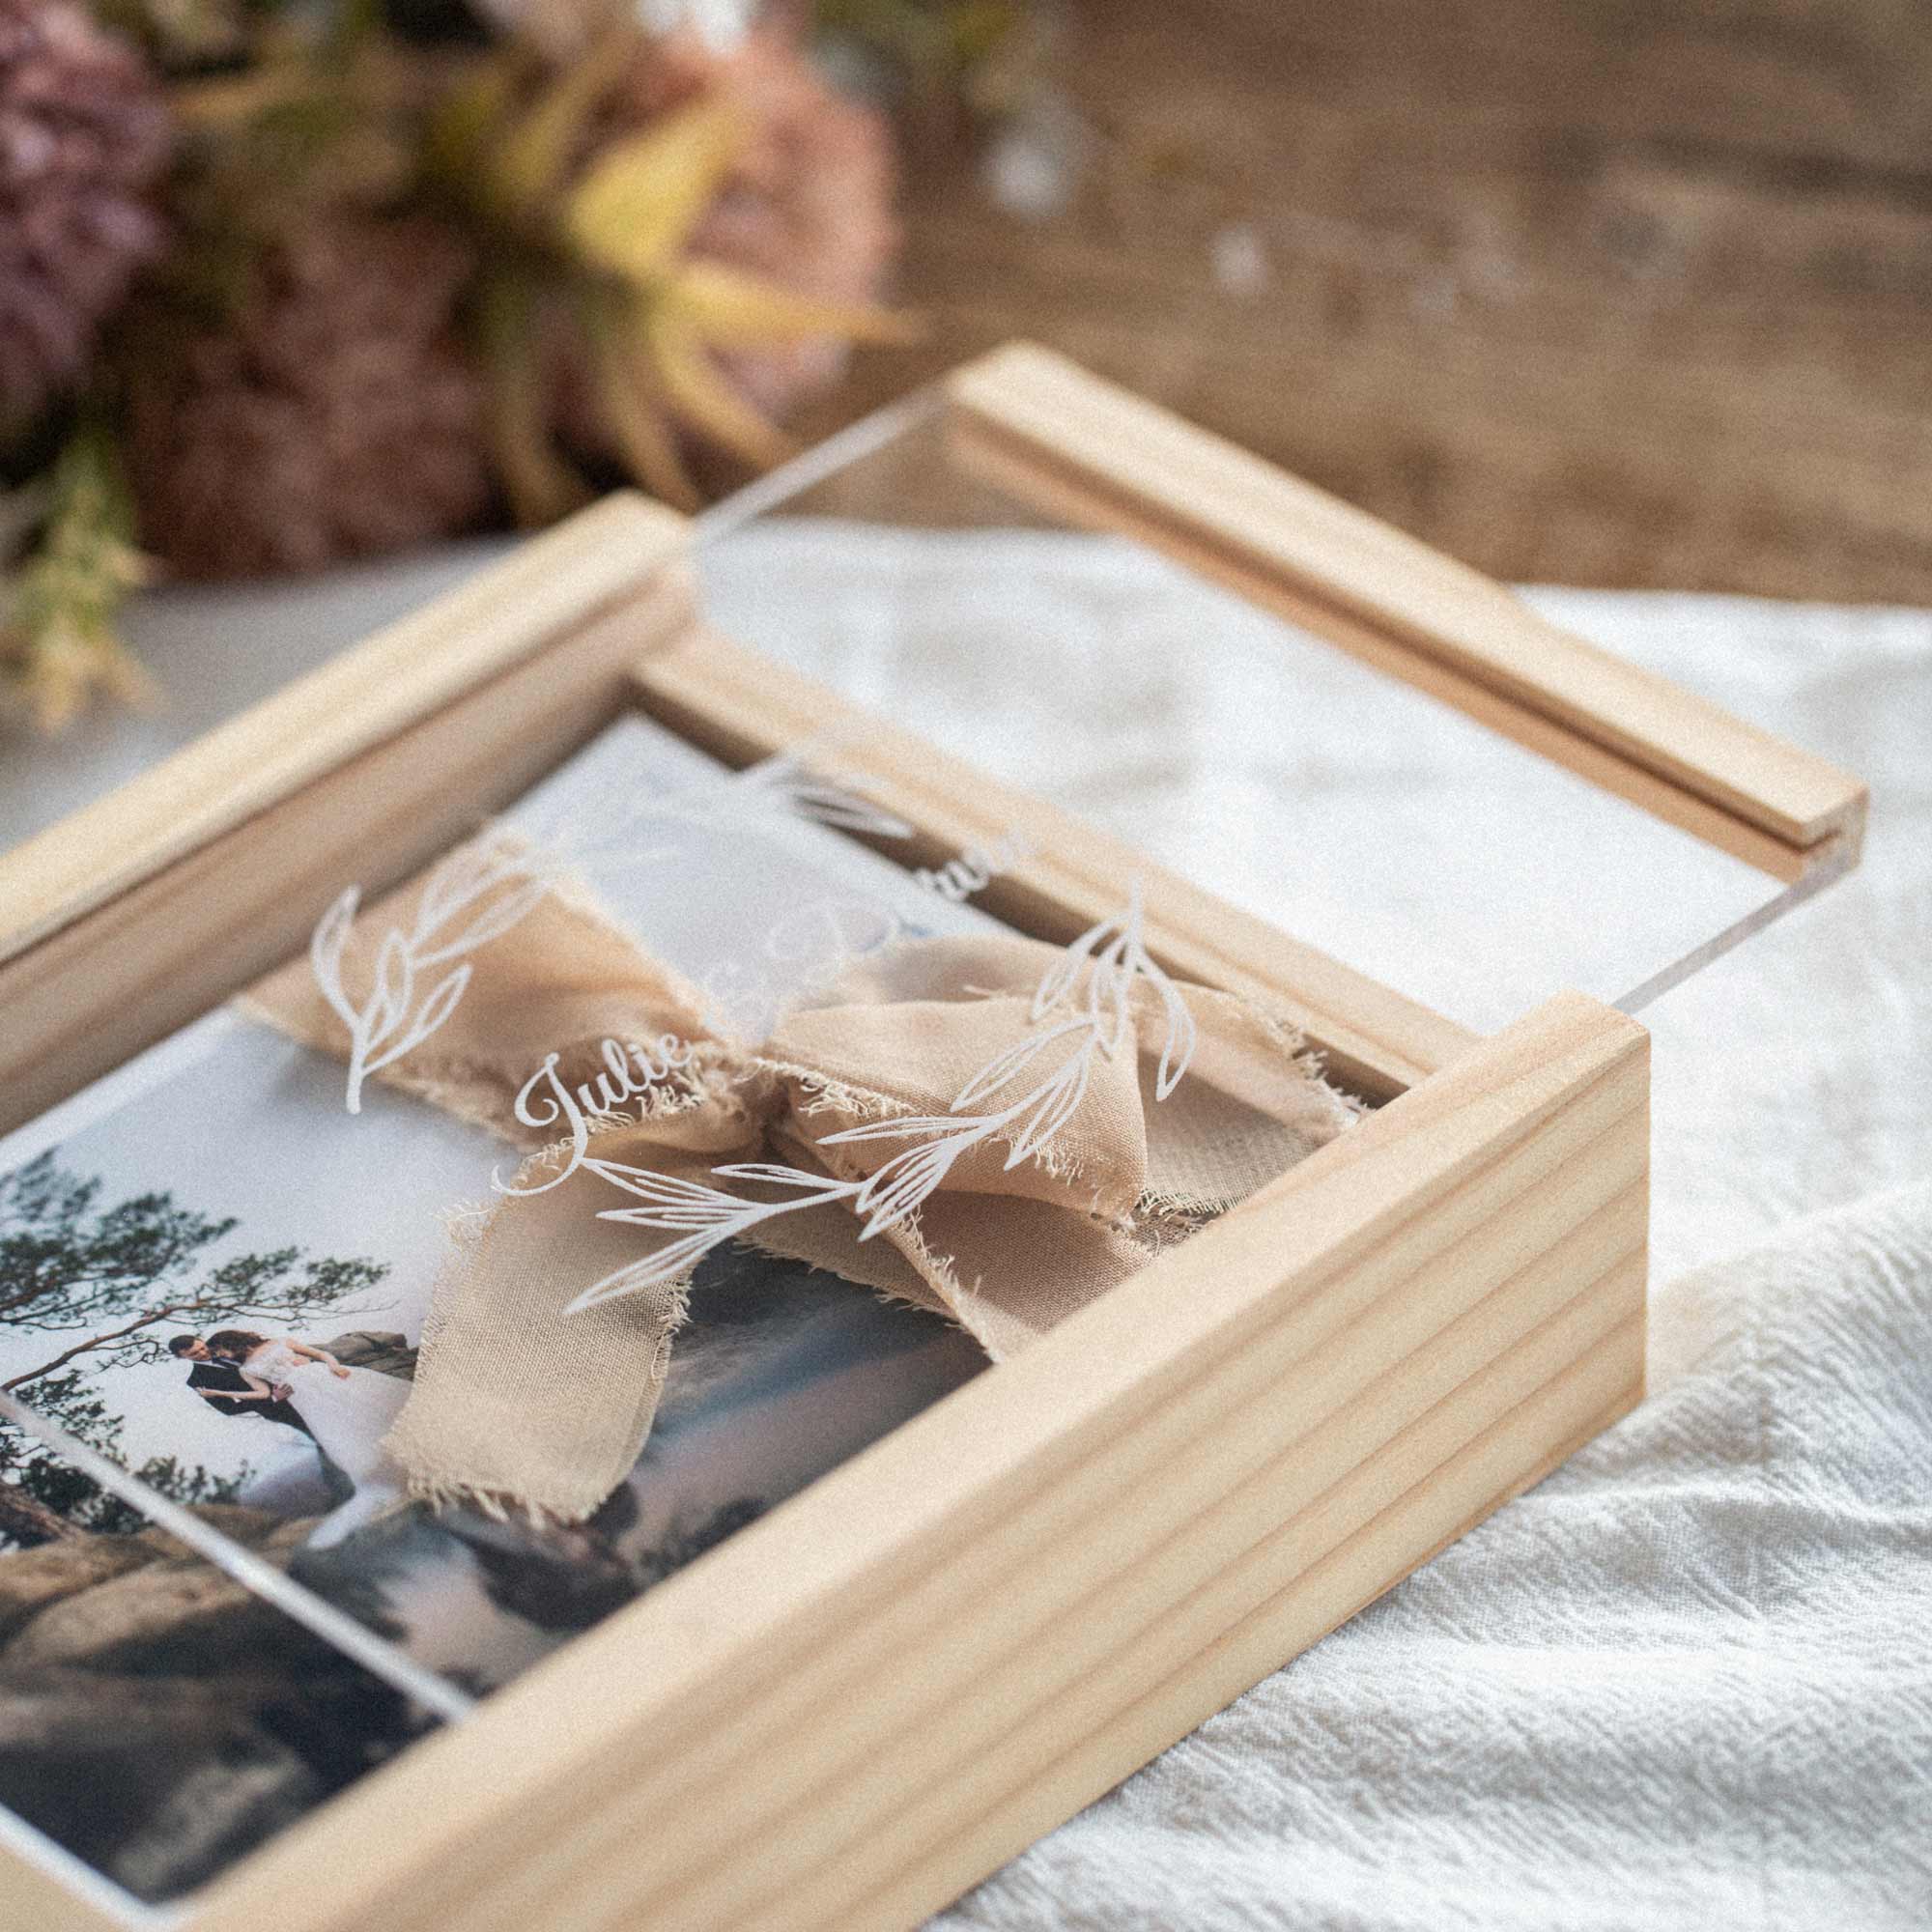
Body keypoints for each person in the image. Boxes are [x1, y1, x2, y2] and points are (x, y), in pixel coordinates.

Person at [206, 1328, 413, 1548]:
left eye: (222, 1350)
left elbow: (320, 1354)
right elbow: (264, 1394)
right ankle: (385, 1463)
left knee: (367, 1405)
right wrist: (222, 1394)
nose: (223, 1356)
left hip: (323, 1376)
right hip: (302, 1395)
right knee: (340, 1425)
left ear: (231, 1342)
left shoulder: (280, 1341)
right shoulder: (246, 1370)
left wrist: (334, 1365)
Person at [169, 1333, 313, 1437]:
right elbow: (229, 1409)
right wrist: (273, 1398)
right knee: (317, 1432)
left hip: (299, 1385)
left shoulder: (227, 1347)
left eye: (203, 1347)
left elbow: (266, 1349)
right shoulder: (197, 1380)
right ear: (182, 1357)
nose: (203, 1353)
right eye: (194, 1354)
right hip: (278, 1409)